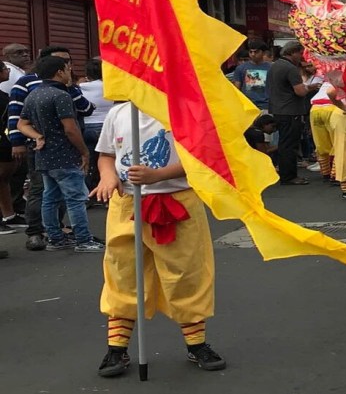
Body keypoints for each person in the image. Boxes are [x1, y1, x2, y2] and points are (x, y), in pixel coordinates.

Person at [90, 103, 226, 377]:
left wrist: (159, 175)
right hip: (127, 203)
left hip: (178, 201)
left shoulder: (185, 109)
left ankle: (196, 343)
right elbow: (106, 155)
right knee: (122, 273)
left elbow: (202, 157)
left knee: (186, 273)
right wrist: (108, 176)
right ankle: (117, 348)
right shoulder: (118, 114)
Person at [6, 45, 94, 250]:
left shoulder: (36, 94)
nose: (70, 69)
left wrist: (38, 137)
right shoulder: (57, 94)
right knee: (73, 198)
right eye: (66, 65)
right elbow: (70, 128)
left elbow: (21, 122)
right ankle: (81, 239)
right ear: (58, 71)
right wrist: (84, 152)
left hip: (44, 155)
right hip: (63, 153)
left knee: (50, 196)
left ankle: (55, 237)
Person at [267, 41, 320, 186]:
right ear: (292, 53)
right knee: (290, 145)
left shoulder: (275, 66)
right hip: (291, 110)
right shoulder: (290, 68)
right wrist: (310, 88)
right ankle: (289, 176)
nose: (302, 57)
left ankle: (285, 174)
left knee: (284, 143)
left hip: (278, 109)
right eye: (300, 53)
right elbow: (300, 91)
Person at [80, 57, 114, 193]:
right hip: (104, 127)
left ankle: (87, 193)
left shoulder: (80, 88)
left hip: (86, 127)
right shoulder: (110, 87)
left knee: (87, 161)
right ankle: (105, 190)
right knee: (107, 161)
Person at [0, 62, 21, 234]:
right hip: (4, 142)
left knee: (4, 180)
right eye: (5, 69)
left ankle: (9, 214)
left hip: (5, 142)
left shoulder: (4, 96)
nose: (8, 71)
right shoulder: (4, 98)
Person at [231, 40, 273, 112]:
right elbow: (237, 89)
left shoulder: (271, 68)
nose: (253, 54)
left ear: (263, 53)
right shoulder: (241, 68)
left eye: (256, 52)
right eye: (251, 52)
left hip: (266, 106)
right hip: (247, 106)